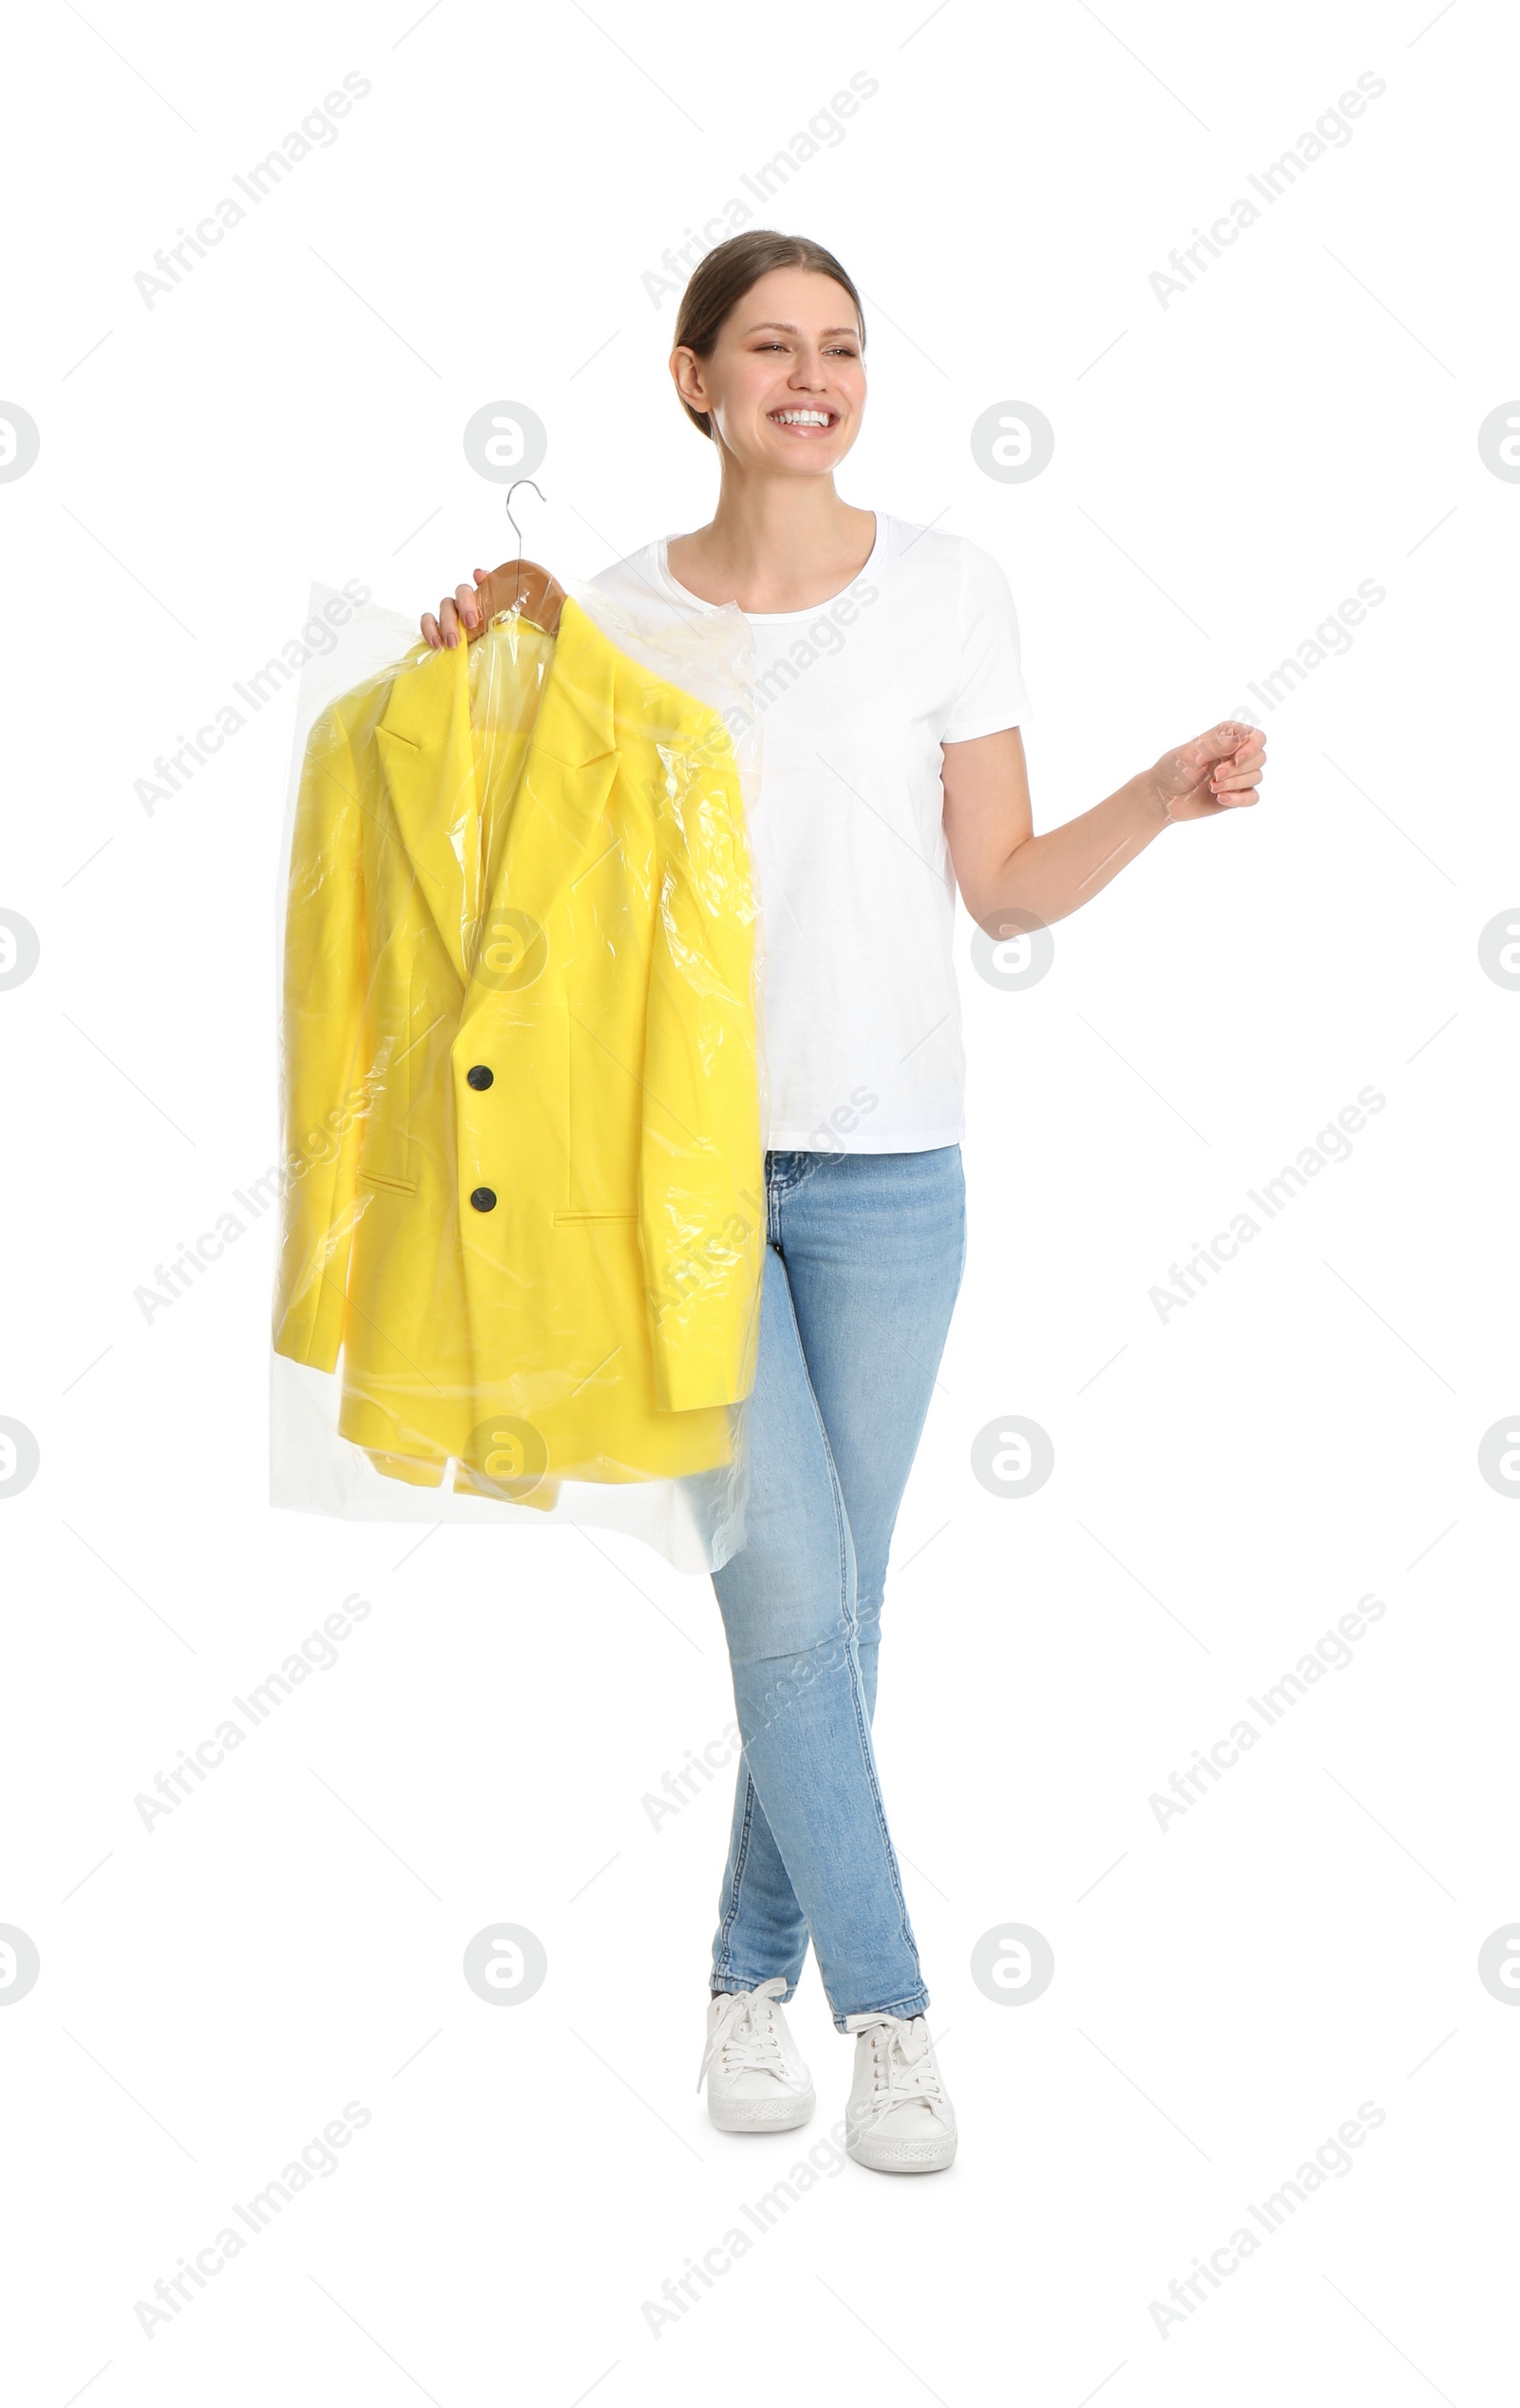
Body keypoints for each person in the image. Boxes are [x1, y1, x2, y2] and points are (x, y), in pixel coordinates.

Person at [422, 229, 1265, 2174]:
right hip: (682, 1181)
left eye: (842, 348)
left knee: (833, 1616)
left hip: (896, 1182)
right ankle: (887, 2014)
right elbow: (505, 903)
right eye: (771, 345)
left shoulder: (951, 593)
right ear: (691, 377)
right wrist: (459, 687)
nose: (812, 374)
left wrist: (1150, 793)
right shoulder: (611, 615)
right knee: (789, 1596)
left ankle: (739, 1973)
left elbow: (1002, 888)